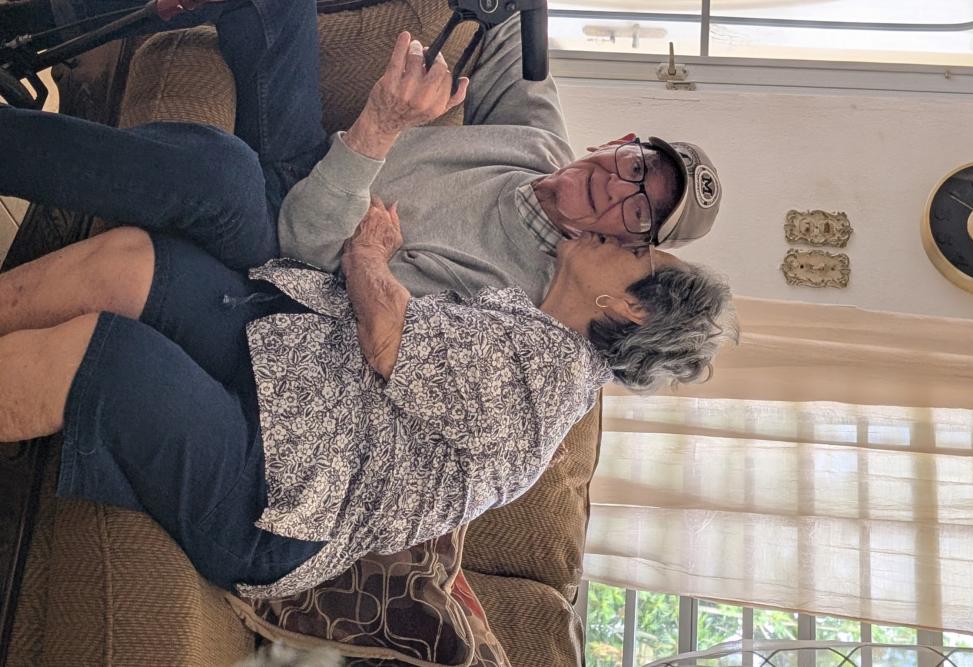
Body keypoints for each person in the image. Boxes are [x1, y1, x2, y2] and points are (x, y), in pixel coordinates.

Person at [0, 201, 736, 598]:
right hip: (283, 373)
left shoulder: (548, 378)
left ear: (629, 307)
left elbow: (387, 334)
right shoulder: (531, 325)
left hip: (278, 497)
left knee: (109, 361)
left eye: (636, 252)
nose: (617, 235)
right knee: (135, 261)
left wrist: (367, 252)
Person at [0, 0, 723, 303]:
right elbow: (509, 34)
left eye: (640, 211)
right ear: (621, 143)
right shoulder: (538, 142)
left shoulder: (511, 289)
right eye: (638, 168)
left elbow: (314, 248)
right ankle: (35, 24)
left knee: (222, 171)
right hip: (306, 160)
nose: (619, 189)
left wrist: (380, 126)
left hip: (288, 248)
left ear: (628, 242)